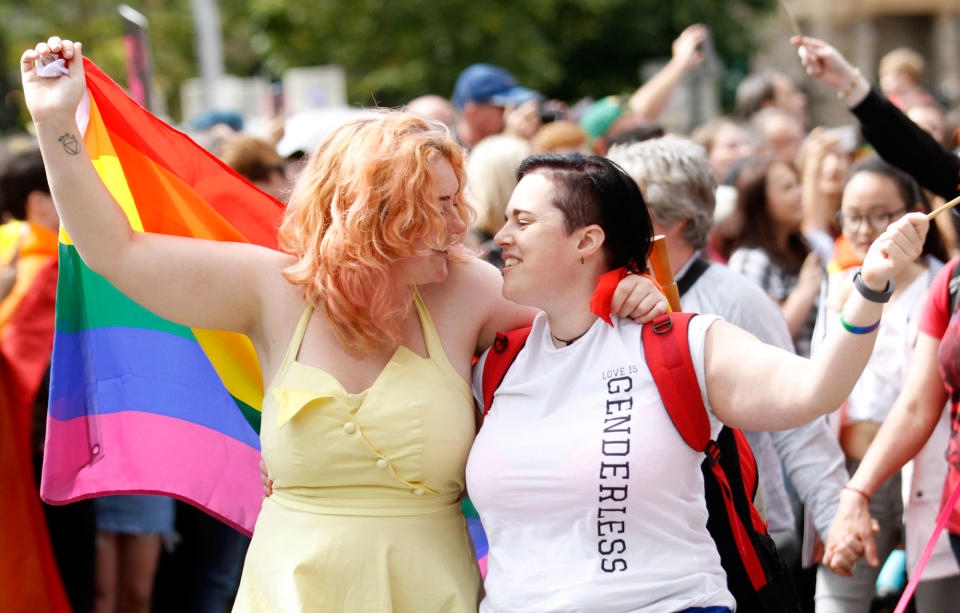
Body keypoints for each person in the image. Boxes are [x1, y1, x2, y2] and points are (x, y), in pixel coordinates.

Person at [21, 37, 663, 613]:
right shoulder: (271, 289)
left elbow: (584, 314)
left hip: (433, 591)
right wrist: (56, 120)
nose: (457, 224)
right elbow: (115, 251)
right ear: (376, 214)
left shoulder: (469, 289)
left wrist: (626, 288)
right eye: (436, 206)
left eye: (456, 203)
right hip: (291, 593)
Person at [465, 152, 926, 612]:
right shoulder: (496, 365)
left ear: (587, 241)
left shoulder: (682, 344)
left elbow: (815, 390)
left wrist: (870, 289)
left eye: (522, 222)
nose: (501, 237)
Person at [607, 136, 848, 591]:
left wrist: (836, 514)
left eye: (623, 204)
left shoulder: (735, 298)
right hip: (655, 539)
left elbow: (798, 419)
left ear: (672, 220)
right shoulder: (608, 298)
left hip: (746, 532)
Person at [811, 158, 954, 613]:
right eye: (852, 215)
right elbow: (821, 389)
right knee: (837, 601)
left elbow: (918, 400)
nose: (865, 228)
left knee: (937, 600)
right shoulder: (835, 288)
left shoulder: (943, 286)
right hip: (850, 472)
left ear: (915, 214)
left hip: (927, 473)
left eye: (880, 215)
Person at [725, 157, 823, 357]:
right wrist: (804, 293)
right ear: (762, 202)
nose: (799, 193)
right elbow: (758, 339)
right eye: (788, 188)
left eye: (798, 184)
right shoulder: (749, 260)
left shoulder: (805, 247)